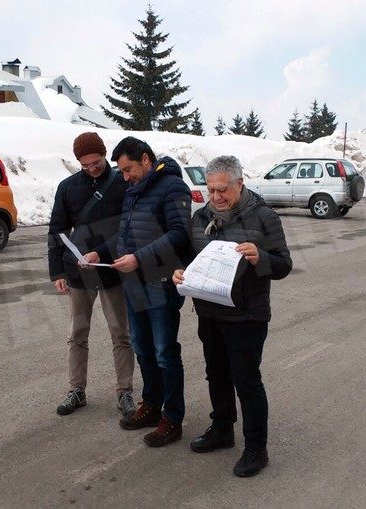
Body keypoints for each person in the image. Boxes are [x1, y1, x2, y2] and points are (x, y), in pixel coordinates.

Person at [172, 155, 292, 477]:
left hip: (247, 316)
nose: (216, 197)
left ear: (240, 183)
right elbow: (188, 257)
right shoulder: (201, 218)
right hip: (209, 312)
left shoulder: (264, 217)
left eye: (223, 189)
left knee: (247, 381)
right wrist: (180, 272)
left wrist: (260, 257)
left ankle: (256, 448)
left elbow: (283, 265)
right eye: (211, 190)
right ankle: (223, 429)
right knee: (216, 374)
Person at [84, 137, 193, 447]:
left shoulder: (173, 187)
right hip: (135, 286)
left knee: (164, 353)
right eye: (121, 171)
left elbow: (180, 235)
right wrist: (100, 253)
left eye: (129, 169)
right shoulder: (133, 189)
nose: (125, 176)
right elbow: (126, 233)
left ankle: (172, 418)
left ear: (146, 159)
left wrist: (138, 259)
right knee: (143, 349)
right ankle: (151, 405)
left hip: (160, 284)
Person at [47, 132, 136, 418]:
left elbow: (128, 227)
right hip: (79, 273)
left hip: (112, 270)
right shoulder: (68, 187)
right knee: (77, 334)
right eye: (85, 165)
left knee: (120, 334)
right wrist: (57, 270)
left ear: (103, 155)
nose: (92, 168)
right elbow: (57, 230)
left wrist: (102, 252)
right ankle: (76, 390)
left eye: (96, 162)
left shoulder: (122, 183)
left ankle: (125, 393)